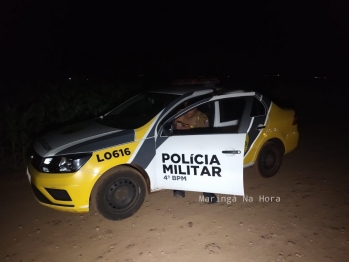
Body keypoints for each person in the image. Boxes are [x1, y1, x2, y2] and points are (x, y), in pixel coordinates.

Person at [172, 102, 217, 203]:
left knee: (203, 169)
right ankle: (179, 189)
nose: (188, 107)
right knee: (180, 167)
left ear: (196, 105)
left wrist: (187, 129)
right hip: (181, 145)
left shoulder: (201, 116)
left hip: (197, 146)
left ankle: (208, 192)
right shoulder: (179, 113)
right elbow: (175, 126)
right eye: (187, 104)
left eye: (192, 104)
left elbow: (205, 133)